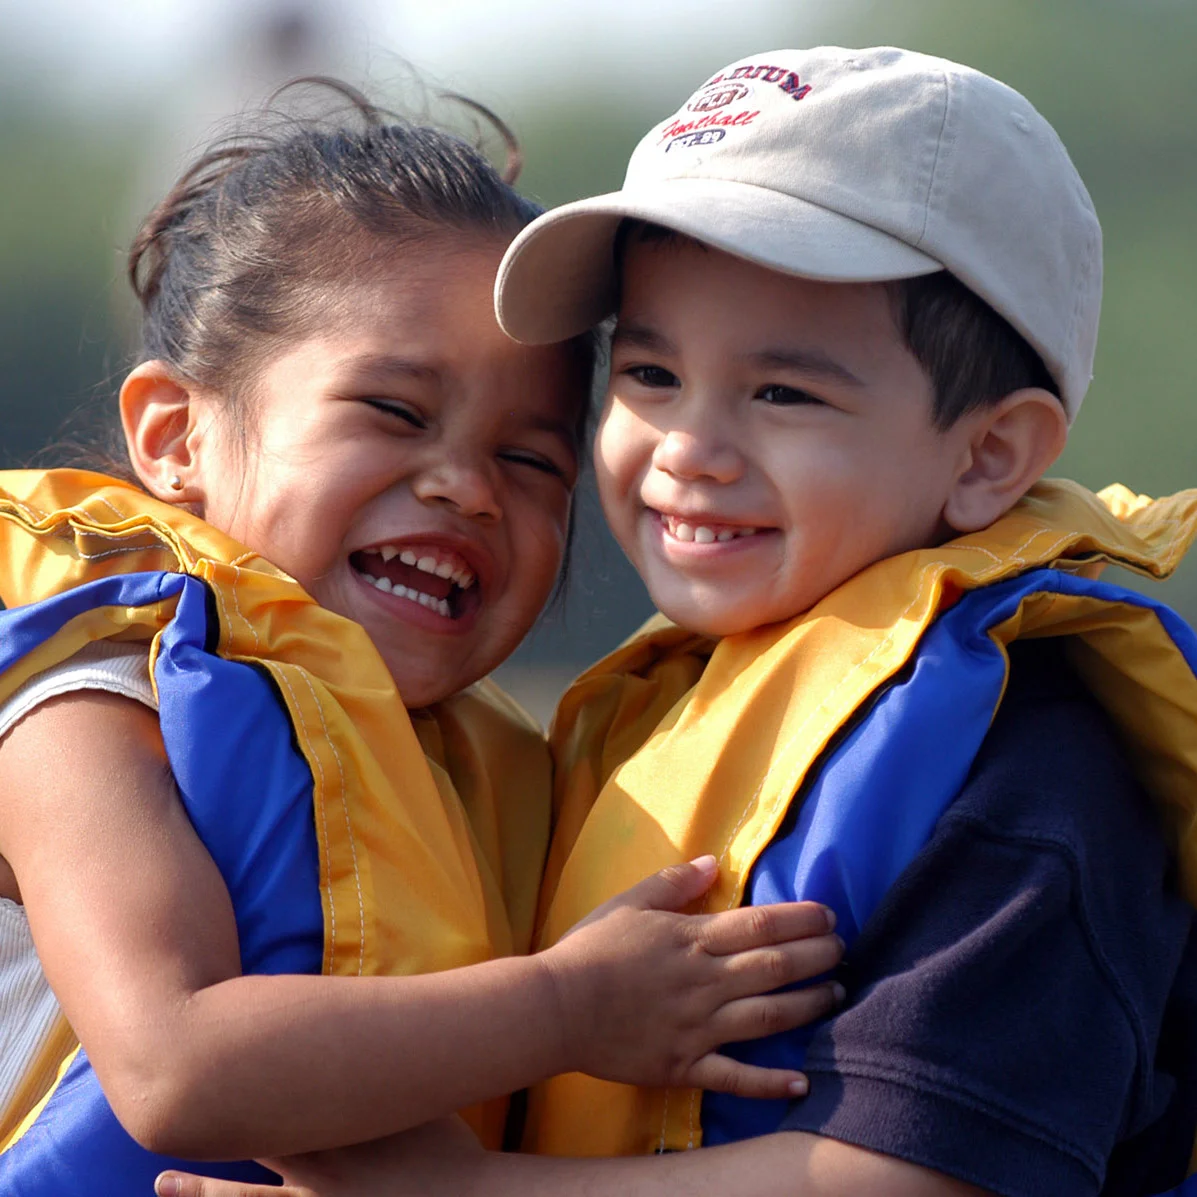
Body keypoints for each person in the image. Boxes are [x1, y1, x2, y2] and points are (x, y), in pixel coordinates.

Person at [159, 47, 1197, 1197]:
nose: (689, 451)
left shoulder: (1028, 765)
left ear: (990, 454)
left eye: (783, 393)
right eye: (651, 375)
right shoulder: (653, 721)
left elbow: (922, 1177)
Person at [0, 82, 847, 1194]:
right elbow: (174, 1068)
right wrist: (572, 1006)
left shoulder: (484, 777)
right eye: (394, 412)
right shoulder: (93, 697)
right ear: (175, 437)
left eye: (531, 460)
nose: (468, 488)